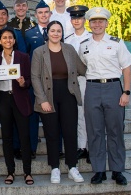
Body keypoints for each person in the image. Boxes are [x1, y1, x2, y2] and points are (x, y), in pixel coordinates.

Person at [79, 7, 131, 185]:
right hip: (92, 89)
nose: (97, 24)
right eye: (94, 21)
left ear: (106, 23)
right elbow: (82, 67)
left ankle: (117, 170)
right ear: (90, 24)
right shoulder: (84, 45)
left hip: (113, 88)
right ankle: (99, 170)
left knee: (115, 131)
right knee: (94, 131)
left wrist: (126, 92)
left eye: (100, 21)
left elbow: (126, 68)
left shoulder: (117, 43)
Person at [31, 21, 86, 184]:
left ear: (62, 33)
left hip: (68, 94)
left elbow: (82, 69)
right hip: (48, 95)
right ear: (47, 33)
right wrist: (42, 100)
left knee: (70, 132)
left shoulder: (69, 49)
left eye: (59, 31)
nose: (56, 33)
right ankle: (54, 167)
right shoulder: (39, 52)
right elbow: (34, 77)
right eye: (52, 31)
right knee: (52, 133)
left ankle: (72, 167)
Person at [0, 27, 33, 185]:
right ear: (0, 41)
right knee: (7, 137)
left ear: (14, 40)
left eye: (10, 37)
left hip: (20, 99)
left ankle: (27, 172)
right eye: (4, 38)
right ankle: (10, 172)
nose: (8, 40)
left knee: (24, 136)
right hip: (3, 99)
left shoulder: (23, 57)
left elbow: (30, 79)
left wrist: (24, 83)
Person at [21, 0, 51, 160]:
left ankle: (56, 148)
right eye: (40, 12)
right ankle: (32, 147)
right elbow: (26, 57)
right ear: (35, 15)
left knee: (52, 116)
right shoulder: (29, 33)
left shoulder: (56, 31)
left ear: (50, 14)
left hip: (53, 82)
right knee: (32, 117)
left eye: (46, 12)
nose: (43, 15)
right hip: (34, 82)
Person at [65, 5, 92, 161]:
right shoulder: (68, 40)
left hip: (90, 80)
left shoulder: (91, 37)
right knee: (80, 115)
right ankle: (82, 146)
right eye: (74, 18)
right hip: (74, 82)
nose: (76, 21)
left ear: (84, 19)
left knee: (92, 115)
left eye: (79, 18)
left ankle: (92, 147)